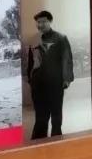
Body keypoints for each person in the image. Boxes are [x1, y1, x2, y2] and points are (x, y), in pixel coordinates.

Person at [26, 10, 74, 139]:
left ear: (50, 21)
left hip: (55, 83)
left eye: (44, 21)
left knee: (56, 116)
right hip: (38, 84)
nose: (40, 24)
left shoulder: (61, 38)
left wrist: (66, 79)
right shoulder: (34, 40)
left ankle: (56, 141)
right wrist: (30, 79)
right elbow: (30, 62)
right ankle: (38, 142)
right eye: (38, 22)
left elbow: (67, 59)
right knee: (40, 116)